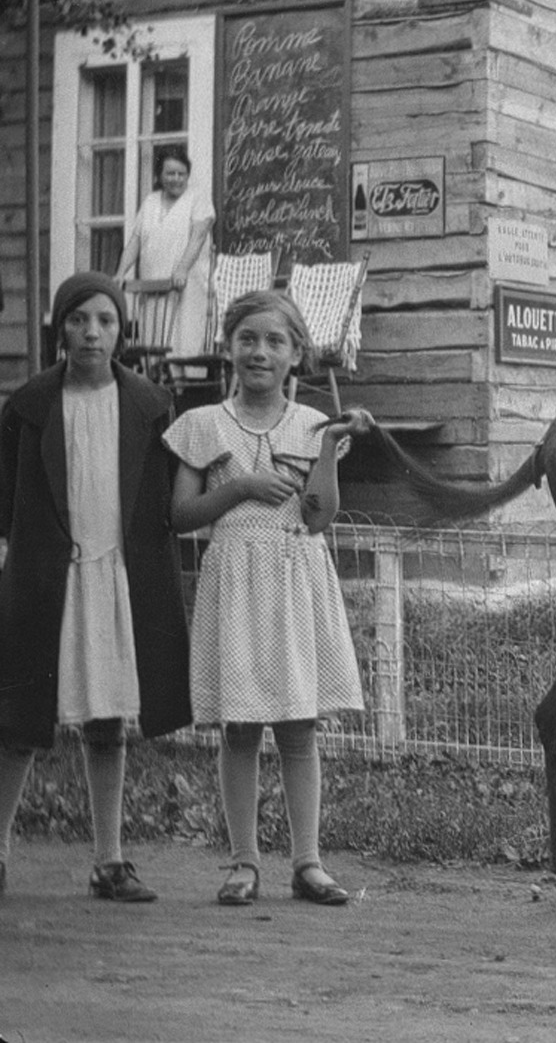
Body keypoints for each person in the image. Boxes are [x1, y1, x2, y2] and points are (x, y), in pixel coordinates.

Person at [163, 290, 370, 906]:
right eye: (248, 338)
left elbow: (317, 519)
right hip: (234, 581)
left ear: (296, 355)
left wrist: (329, 448)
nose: (260, 351)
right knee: (242, 729)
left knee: (299, 727)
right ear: (228, 347)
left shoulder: (311, 425)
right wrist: (244, 486)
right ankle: (243, 862)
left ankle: (307, 863)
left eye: (275, 341)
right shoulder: (202, 424)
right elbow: (180, 515)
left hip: (293, 576)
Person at [0, 272, 193, 901]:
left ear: (121, 330)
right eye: (79, 320)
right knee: (20, 721)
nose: (91, 333)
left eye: (105, 321)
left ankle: (109, 860)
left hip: (117, 578)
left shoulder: (150, 404)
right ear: (61, 329)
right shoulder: (28, 407)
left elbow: (165, 500)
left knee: (107, 720)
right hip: (46, 579)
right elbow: (8, 501)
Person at [114, 147, 216, 359]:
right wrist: (121, 272)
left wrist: (182, 269)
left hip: (185, 284)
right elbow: (136, 240)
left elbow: (198, 237)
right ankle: (155, 382)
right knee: (153, 338)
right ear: (160, 176)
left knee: (182, 339)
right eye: (170, 173)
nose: (176, 179)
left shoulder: (198, 198)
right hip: (153, 284)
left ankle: (181, 384)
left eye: (181, 174)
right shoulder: (151, 201)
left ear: (188, 175)